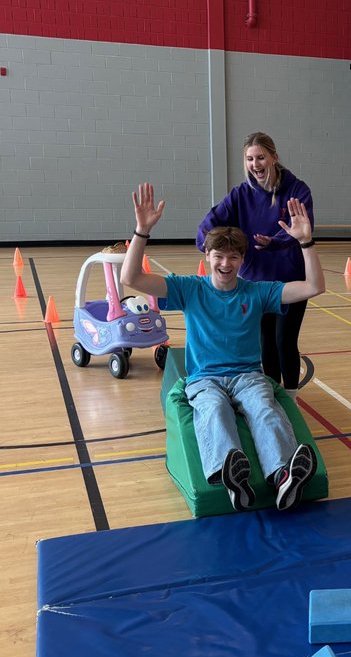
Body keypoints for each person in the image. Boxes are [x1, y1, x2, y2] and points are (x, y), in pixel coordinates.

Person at [124, 182, 324, 512]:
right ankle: (233, 478)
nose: (226, 264)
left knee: (264, 408)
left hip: (248, 376)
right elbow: (131, 278)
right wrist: (141, 232)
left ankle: (284, 475)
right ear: (207, 256)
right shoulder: (189, 289)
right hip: (206, 379)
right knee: (214, 411)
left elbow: (315, 286)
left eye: (234, 257)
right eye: (219, 256)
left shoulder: (257, 292)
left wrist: (305, 241)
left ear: (243, 259)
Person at [196, 132, 314, 394]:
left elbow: (302, 230)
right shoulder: (240, 194)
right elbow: (210, 223)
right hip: (256, 282)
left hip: (289, 280)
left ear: (273, 157)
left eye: (261, 157)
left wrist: (275, 242)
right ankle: (272, 391)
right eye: (250, 159)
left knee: (285, 340)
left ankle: (291, 395)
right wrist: (208, 243)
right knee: (266, 342)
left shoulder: (297, 190)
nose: (255, 164)